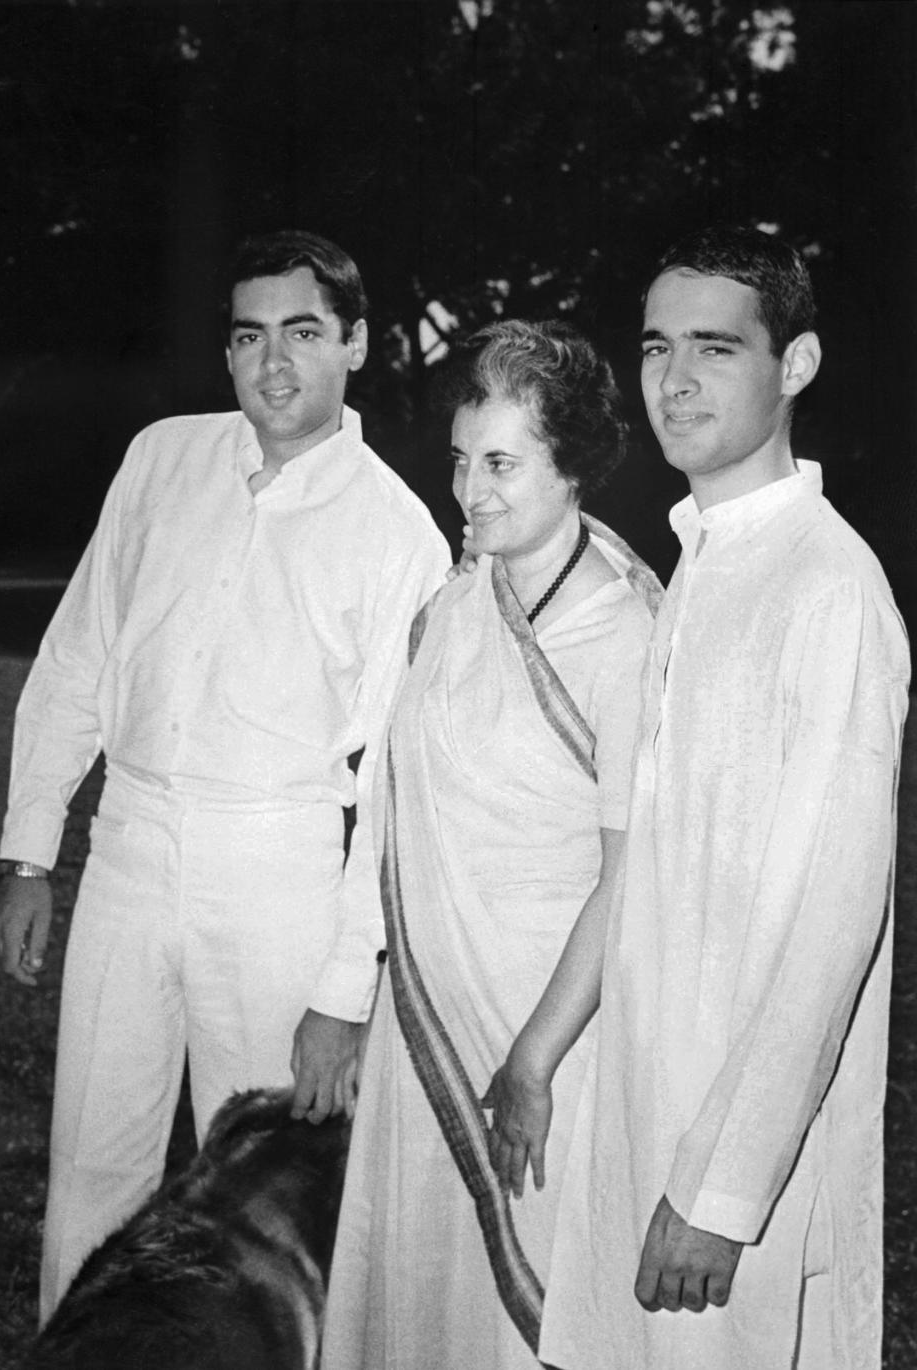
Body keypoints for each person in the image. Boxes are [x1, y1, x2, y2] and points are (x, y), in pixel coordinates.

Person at [0, 230, 450, 1323]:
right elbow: (78, 655)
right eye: (249, 335)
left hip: (276, 866)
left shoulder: (399, 534)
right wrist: (27, 850)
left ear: (357, 344)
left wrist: (342, 991)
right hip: (130, 853)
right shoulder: (163, 458)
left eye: (302, 332)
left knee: (260, 1196)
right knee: (93, 1169)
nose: (273, 362)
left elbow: (389, 790)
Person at [538, 225, 911, 1370]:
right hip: (647, 1104)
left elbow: (830, 925)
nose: (676, 380)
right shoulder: (702, 560)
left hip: (737, 1170)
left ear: (793, 365)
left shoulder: (828, 588)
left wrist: (725, 1185)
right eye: (657, 347)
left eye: (715, 347)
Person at [320, 319, 662, 1369]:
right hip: (426, 1017)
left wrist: (532, 1056)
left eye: (503, 462)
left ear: (572, 467)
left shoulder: (628, 631)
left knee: (534, 1308)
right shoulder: (452, 607)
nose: (471, 489)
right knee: (425, 1287)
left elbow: (631, 872)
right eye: (462, 460)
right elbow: (389, 809)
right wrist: (345, 988)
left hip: (556, 1029)